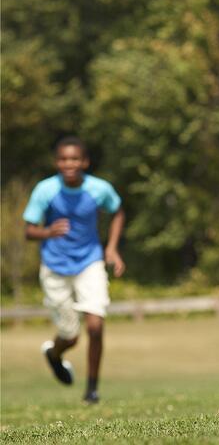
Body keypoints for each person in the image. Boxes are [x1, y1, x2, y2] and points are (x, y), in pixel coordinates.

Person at [23, 136, 126, 404]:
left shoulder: (98, 189)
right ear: (57, 162)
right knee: (70, 336)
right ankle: (54, 354)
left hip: (89, 262)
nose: (69, 164)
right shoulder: (45, 190)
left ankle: (92, 390)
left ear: (85, 162)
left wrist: (112, 248)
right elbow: (29, 230)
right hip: (55, 267)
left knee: (95, 325)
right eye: (64, 159)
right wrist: (48, 231)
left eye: (75, 159)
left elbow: (117, 212)